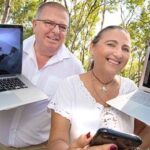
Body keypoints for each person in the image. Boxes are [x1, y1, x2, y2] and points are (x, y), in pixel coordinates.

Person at [48, 25, 150, 150]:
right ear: (92, 47)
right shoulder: (69, 86)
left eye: (125, 49)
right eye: (111, 44)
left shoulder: (130, 88)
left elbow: (142, 132)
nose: (118, 54)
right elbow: (57, 140)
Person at [0, 2, 83, 150]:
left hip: (38, 146)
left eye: (62, 27)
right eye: (49, 23)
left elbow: (75, 118)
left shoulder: (74, 68)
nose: (56, 31)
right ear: (35, 24)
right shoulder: (12, 52)